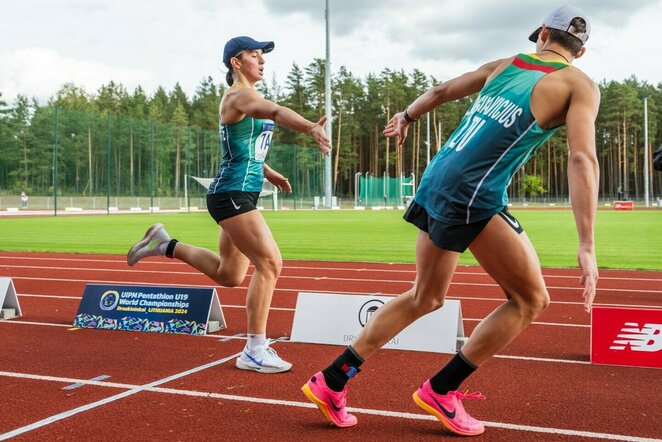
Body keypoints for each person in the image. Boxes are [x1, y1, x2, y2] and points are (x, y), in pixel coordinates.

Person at [302, 6, 599, 436]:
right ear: (581, 51)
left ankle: (332, 380)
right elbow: (581, 156)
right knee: (530, 301)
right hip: (473, 193)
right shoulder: (579, 83)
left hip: (437, 178)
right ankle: (442, 389)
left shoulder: (505, 64)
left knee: (425, 296)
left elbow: (441, 91)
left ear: (541, 36)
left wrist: (406, 115)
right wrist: (587, 244)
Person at [127, 36, 331, 374]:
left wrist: (268, 172)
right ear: (236, 62)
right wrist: (310, 126)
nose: (262, 60)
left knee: (231, 273)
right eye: (254, 55)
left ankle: (164, 244)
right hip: (231, 194)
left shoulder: (249, 99)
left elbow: (244, 148)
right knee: (270, 264)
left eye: (262, 55)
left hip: (240, 191)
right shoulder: (238, 96)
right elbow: (278, 113)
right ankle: (254, 349)